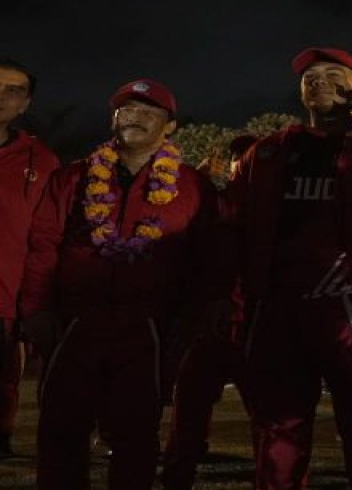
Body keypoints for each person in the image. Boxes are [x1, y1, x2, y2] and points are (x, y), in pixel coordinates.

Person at [225, 47, 352, 490]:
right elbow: (236, 229)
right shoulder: (269, 151)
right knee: (279, 431)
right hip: (279, 308)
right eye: (309, 76)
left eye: (333, 73)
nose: (318, 81)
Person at [21, 79, 219, 489]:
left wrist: (190, 324)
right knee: (60, 434)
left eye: (148, 111)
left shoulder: (192, 185)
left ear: (171, 126)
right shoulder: (74, 177)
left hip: (148, 330)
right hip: (76, 326)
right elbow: (43, 245)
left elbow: (207, 262)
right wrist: (37, 309)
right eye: (126, 109)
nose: (134, 117)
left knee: (135, 439)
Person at [161, 133, 258, 490]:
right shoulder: (213, 201)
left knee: (265, 415)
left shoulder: (265, 205)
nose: (238, 165)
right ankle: (178, 475)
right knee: (188, 409)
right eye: (236, 159)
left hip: (249, 324)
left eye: (243, 158)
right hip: (207, 324)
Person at [0, 58, 60, 457]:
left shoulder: (41, 161)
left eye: (14, 90)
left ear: (25, 104)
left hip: (5, 297)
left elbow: (47, 235)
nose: (1, 97)